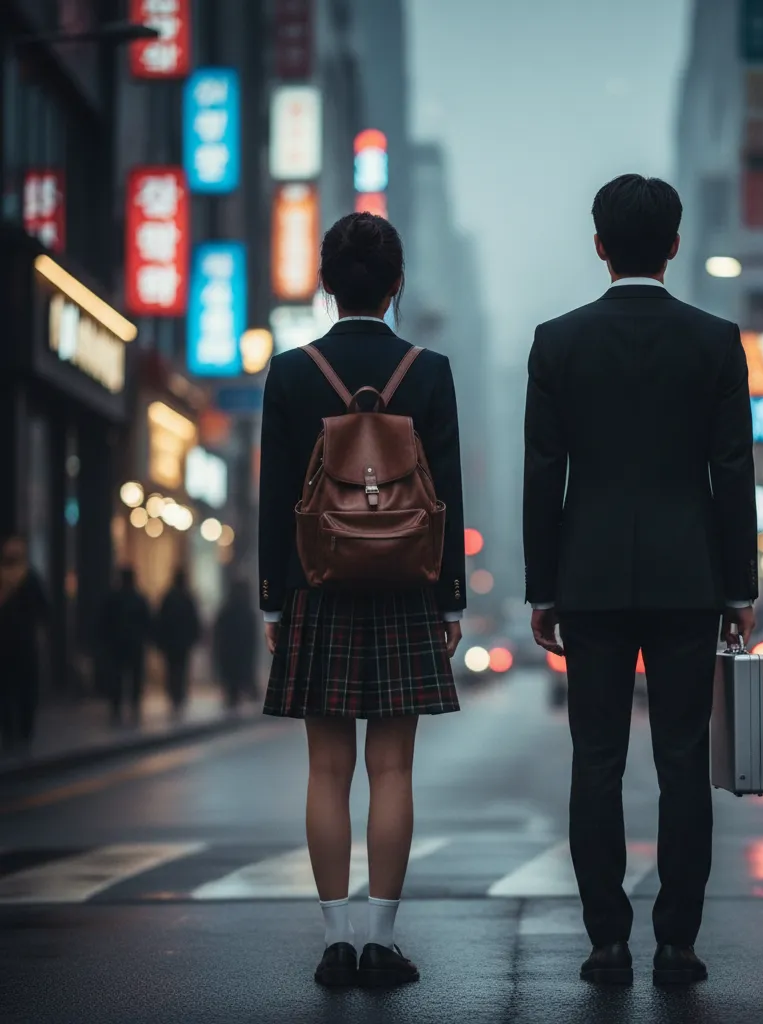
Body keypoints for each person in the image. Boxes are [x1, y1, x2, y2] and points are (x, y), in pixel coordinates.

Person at [523, 174, 758, 988]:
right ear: (675, 244)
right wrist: (739, 588)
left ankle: (607, 942)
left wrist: (541, 588)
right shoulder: (715, 341)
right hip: (689, 578)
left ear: (598, 246)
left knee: (596, 760)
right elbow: (733, 471)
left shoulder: (557, 342)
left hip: (587, 579)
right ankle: (678, 943)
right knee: (683, 761)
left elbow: (542, 474)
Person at [259, 211, 466, 989]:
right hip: (408, 584)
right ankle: (382, 940)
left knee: (325, 771)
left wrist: (274, 601)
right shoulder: (431, 370)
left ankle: (335, 943)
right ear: (397, 284)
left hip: (318, 585)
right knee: (394, 770)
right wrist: (450, 599)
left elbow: (276, 496)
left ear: (324, 281)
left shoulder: (290, 371)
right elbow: (445, 492)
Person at [0, 536, 49, 755]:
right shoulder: (31, 578)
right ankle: (23, 732)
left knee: (8, 689)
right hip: (25, 645)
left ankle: (11, 732)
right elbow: (45, 611)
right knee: (25, 689)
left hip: (6, 645)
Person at [99, 568, 151, 725]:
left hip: (119, 646)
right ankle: (131, 706)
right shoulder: (138, 599)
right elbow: (147, 623)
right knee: (131, 678)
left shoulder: (115, 598)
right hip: (131, 645)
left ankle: (118, 708)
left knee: (118, 678)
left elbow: (104, 622)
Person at [156, 570, 201, 715]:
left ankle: (176, 694)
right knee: (180, 668)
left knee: (174, 669)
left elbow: (161, 620)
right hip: (181, 642)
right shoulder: (186, 598)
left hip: (174, 642)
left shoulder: (170, 598)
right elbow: (194, 621)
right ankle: (178, 694)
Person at [213, 579, 258, 708]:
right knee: (235, 681)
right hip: (237, 654)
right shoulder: (246, 611)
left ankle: (233, 701)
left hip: (230, 654)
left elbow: (219, 632)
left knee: (232, 683)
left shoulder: (227, 610)